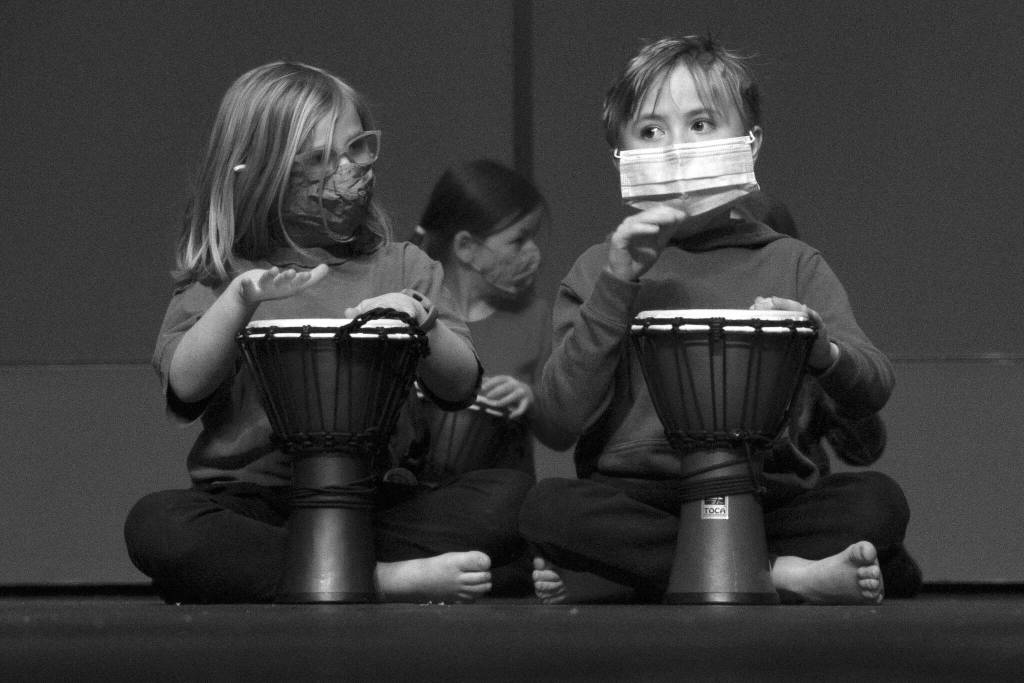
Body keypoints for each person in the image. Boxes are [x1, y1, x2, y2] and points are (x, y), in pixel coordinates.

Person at [519, 35, 921, 604]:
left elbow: (874, 387)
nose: (677, 148)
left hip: (766, 495)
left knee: (878, 503)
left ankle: (635, 575)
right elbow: (558, 421)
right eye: (651, 131)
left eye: (701, 125)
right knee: (548, 509)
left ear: (750, 143)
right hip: (643, 497)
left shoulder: (792, 261)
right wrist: (617, 284)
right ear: (620, 153)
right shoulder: (596, 268)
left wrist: (822, 348)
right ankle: (776, 574)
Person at [124, 61, 533, 604]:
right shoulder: (223, 276)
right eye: (317, 159)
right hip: (262, 504)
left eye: (356, 147)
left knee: (511, 498)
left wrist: (418, 319)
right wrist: (240, 299)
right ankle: (378, 580)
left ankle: (313, 573)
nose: (347, 169)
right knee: (160, 524)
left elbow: (459, 386)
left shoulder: (406, 265)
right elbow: (187, 384)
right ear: (261, 171)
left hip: (376, 499)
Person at [406, 160, 572, 594]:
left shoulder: (537, 318)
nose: (532, 251)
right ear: (467, 248)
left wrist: (531, 399)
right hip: (421, 503)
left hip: (497, 509)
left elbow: (562, 433)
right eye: (518, 239)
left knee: (524, 504)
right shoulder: (412, 314)